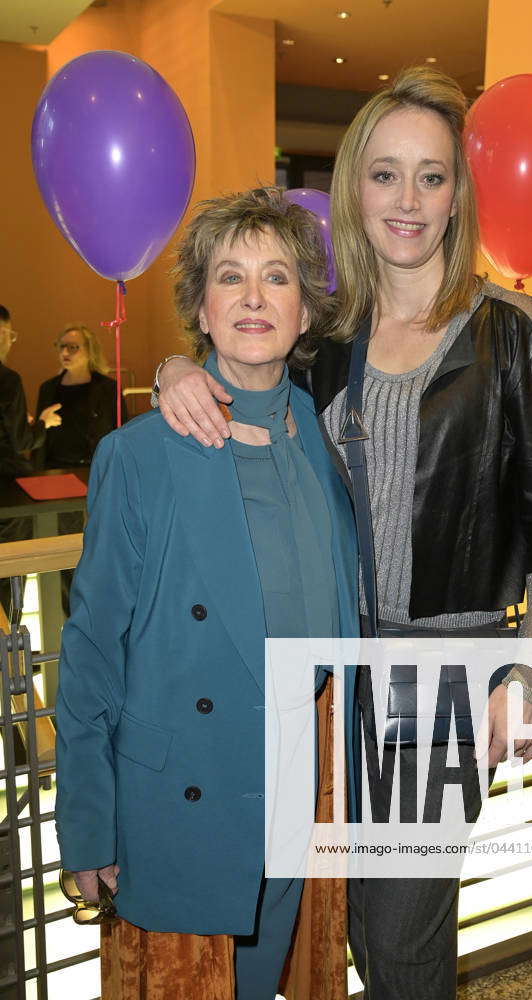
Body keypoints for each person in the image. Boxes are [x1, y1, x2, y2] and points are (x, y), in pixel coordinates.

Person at [154, 66, 532, 1000]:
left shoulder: (513, 331)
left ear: (459, 191)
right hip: (323, 678)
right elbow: (236, 362)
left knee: (401, 932)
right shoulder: (324, 338)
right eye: (386, 174)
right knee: (338, 925)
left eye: (432, 175)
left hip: (443, 679)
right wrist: (168, 367)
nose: (408, 200)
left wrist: (528, 671)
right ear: (354, 188)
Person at [55, 189, 359, 1000]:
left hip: (298, 784)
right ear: (201, 306)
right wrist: (87, 825)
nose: (255, 297)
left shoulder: (322, 440)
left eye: (277, 277)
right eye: (231, 277)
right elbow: (89, 652)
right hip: (183, 794)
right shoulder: (141, 457)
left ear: (304, 314)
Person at [33, 323, 127, 615]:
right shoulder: (48, 388)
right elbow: (40, 440)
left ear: (89, 351)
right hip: (57, 481)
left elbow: (122, 434)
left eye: (73, 347)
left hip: (98, 478)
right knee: (65, 558)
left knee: (101, 553)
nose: (65, 352)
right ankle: (71, 619)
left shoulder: (108, 388)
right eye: (61, 346)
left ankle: (104, 617)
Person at [0, 304, 61, 616]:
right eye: (10, 335)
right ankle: (10, 658)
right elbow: (22, 441)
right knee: (11, 578)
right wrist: (42, 425)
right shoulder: (8, 379)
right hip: (8, 491)